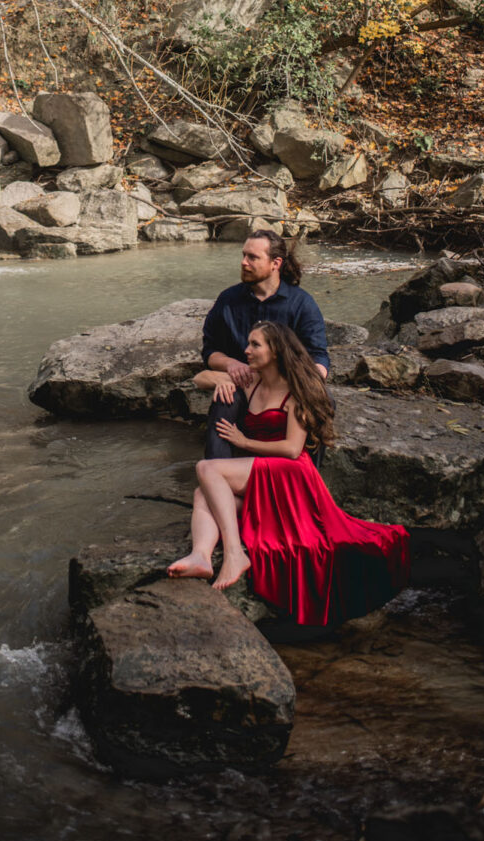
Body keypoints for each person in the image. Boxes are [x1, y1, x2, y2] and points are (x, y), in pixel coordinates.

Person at [168, 321, 410, 624]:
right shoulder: (251, 381)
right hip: (263, 471)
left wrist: (244, 442)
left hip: (291, 472)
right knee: (202, 493)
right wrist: (221, 379)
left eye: (255, 345)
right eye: (249, 343)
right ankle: (201, 556)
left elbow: (293, 449)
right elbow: (199, 377)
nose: (246, 350)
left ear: (276, 351)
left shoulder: (296, 390)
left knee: (207, 468)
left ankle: (233, 554)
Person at [202, 230, 328, 460]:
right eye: (243, 255)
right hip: (243, 386)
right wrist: (230, 364)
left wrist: (305, 388)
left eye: (252, 257)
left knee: (322, 402)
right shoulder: (227, 300)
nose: (243, 262)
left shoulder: (302, 304)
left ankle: (308, 478)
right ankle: (218, 472)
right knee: (225, 400)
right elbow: (210, 351)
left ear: (275, 263)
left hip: (286, 389)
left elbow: (318, 357)